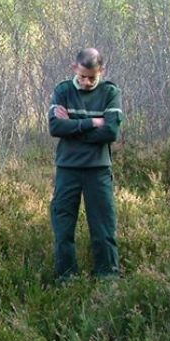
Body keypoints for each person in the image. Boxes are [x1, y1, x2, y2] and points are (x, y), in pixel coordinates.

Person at [48, 48, 123, 282]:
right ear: (74, 68)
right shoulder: (62, 90)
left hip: (98, 169)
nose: (87, 82)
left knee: (103, 226)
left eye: (92, 77)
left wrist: (73, 125)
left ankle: (107, 276)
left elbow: (110, 132)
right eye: (82, 76)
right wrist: (91, 122)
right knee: (63, 224)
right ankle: (67, 277)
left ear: (102, 70)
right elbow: (55, 128)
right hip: (67, 168)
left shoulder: (110, 92)